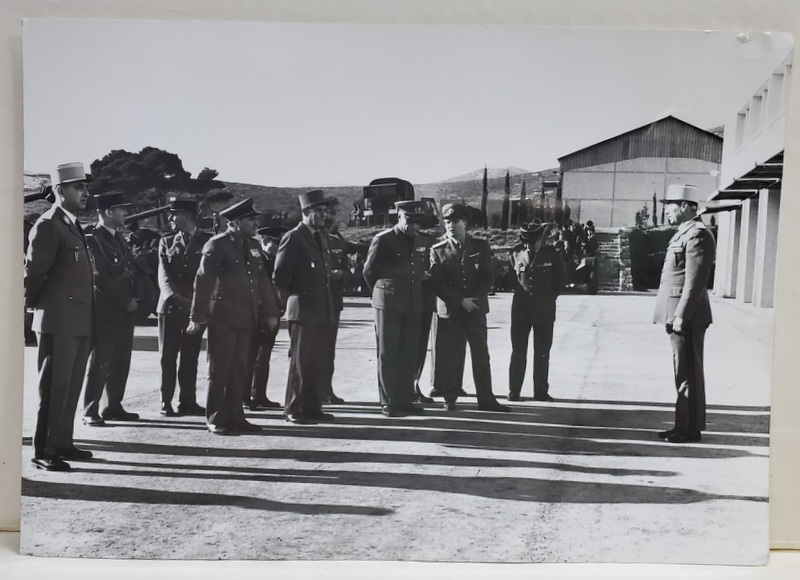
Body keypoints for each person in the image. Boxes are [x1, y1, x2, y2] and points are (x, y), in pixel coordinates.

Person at [188, 197, 281, 435]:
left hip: (246, 317)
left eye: (255, 219)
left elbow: (262, 281)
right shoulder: (216, 245)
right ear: (236, 222)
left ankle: (236, 416)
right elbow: (203, 282)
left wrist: (271, 312)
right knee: (220, 370)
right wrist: (197, 317)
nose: (256, 224)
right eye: (251, 219)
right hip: (222, 318)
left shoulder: (252, 245)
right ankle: (217, 418)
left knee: (240, 369)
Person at [25, 162, 95, 470]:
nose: (85, 193)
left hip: (78, 319)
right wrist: (34, 307)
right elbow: (34, 272)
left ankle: (63, 442)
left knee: (71, 385)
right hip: (58, 319)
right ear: (59, 190)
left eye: (85, 187)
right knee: (55, 387)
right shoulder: (48, 224)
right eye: (78, 187)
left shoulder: (71, 223)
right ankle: (45, 451)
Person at [429, 204, 510, 412]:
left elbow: (487, 277)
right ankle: (450, 397)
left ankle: (486, 399)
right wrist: (459, 301)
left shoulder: (480, 246)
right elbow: (437, 284)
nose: (450, 226)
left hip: (475, 309)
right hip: (452, 312)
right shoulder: (437, 251)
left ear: (465, 223)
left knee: (481, 356)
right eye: (447, 222)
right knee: (451, 356)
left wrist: (473, 299)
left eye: (455, 222)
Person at [653, 184, 716, 444]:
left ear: (688, 207)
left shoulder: (698, 234)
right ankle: (683, 425)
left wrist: (682, 315)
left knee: (688, 372)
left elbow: (695, 280)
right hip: (675, 314)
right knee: (682, 371)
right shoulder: (684, 232)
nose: (667, 211)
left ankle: (690, 429)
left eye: (671, 206)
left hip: (685, 316)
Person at [273, 190, 341, 424]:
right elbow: (280, 276)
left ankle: (313, 407)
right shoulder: (294, 237)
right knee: (300, 362)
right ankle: (293, 408)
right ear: (306, 212)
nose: (324, 215)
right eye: (319, 211)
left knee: (318, 362)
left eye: (325, 210)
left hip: (323, 309)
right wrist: (289, 304)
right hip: (302, 310)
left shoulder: (319, 237)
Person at [363, 200, 430, 417]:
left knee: (408, 353)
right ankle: (388, 401)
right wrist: (383, 292)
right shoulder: (384, 240)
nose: (413, 226)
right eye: (409, 221)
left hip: (413, 302)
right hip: (389, 303)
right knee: (388, 353)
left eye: (417, 222)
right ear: (399, 217)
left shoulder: (420, 240)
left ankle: (404, 399)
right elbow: (368, 272)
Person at [81, 192, 142, 426]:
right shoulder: (94, 239)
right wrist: (125, 300)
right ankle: (90, 409)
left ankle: (113, 406)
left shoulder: (118, 238)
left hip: (125, 309)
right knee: (101, 360)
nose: (125, 213)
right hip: (107, 310)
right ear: (108, 212)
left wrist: (135, 297)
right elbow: (100, 277)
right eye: (121, 209)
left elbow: (128, 271)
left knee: (121, 359)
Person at [156, 197, 211, 417]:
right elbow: (164, 276)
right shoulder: (166, 241)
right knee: (167, 357)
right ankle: (165, 401)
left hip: (195, 309)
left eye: (174, 214)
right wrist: (177, 299)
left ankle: (187, 401)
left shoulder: (207, 241)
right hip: (170, 307)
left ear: (187, 216)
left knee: (190, 356)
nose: (170, 218)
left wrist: (197, 306)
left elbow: (209, 277)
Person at [508, 218, 566, 402]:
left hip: (544, 311)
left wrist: (546, 298)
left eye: (533, 241)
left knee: (542, 353)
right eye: (525, 241)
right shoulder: (516, 254)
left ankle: (540, 391)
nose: (529, 245)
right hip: (520, 312)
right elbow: (512, 280)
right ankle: (514, 390)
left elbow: (559, 282)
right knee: (518, 352)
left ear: (541, 239)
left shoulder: (553, 255)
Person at [245, 225, 287, 411]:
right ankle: (246, 396)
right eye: (275, 243)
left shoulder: (275, 259)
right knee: (250, 356)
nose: (279, 247)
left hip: (272, 313)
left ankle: (259, 394)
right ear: (265, 242)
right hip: (256, 313)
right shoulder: (256, 259)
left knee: (264, 357)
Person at [319, 197, 352, 405]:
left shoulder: (339, 242)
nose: (330, 217)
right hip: (312, 303)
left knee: (328, 349)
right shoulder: (306, 239)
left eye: (332, 213)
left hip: (333, 302)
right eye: (327, 213)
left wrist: (342, 274)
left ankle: (326, 390)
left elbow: (350, 271)